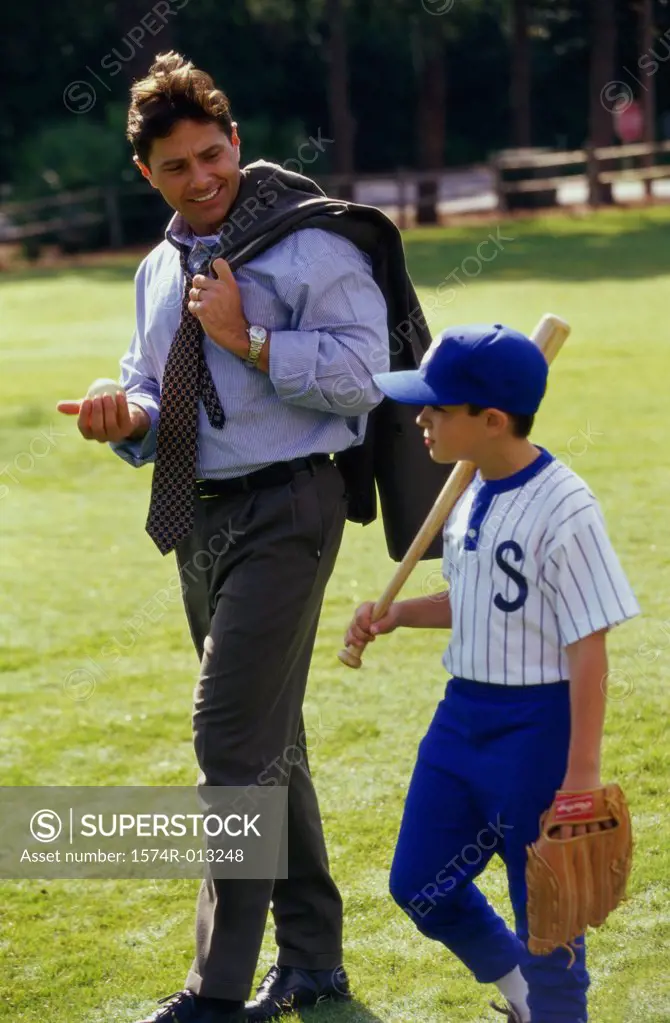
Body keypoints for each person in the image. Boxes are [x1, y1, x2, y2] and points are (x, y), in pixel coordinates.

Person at [57, 51, 396, 1023]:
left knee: (224, 737)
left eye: (213, 155)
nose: (202, 180)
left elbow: (361, 381)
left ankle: (214, 992)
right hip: (198, 518)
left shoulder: (315, 249)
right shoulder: (157, 269)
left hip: (291, 507)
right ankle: (314, 964)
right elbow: (154, 385)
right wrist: (127, 418)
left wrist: (250, 338)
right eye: (177, 168)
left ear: (236, 139)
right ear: (147, 176)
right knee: (264, 741)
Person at [344, 324, 639, 1023]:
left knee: (550, 917)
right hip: (461, 719)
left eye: (438, 407)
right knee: (421, 884)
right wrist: (397, 614)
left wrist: (580, 776)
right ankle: (522, 999)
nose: (421, 417)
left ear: (492, 420)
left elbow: (589, 645)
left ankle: (550, 1005)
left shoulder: (566, 506)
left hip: (536, 729)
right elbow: (477, 599)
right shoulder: (467, 491)